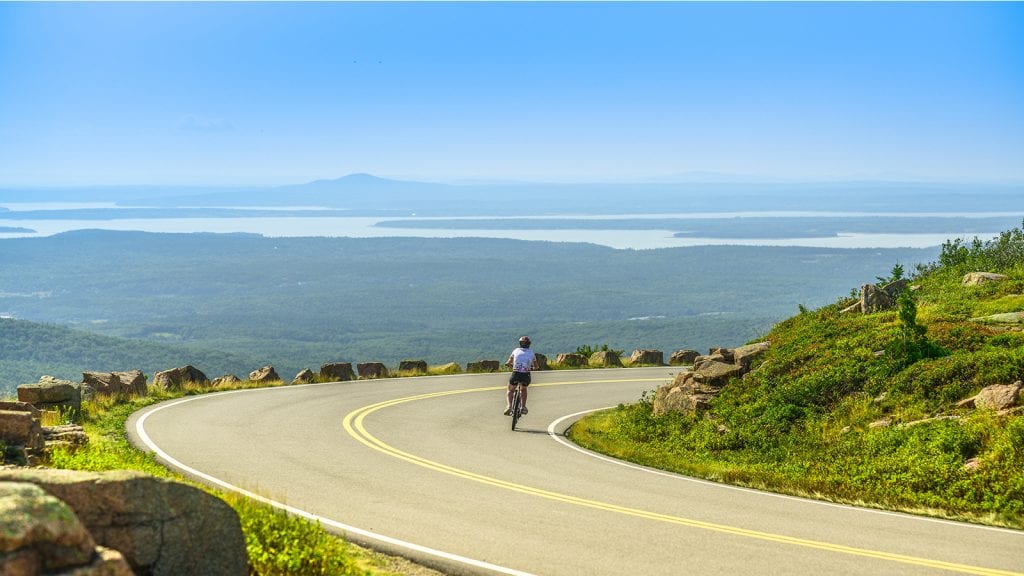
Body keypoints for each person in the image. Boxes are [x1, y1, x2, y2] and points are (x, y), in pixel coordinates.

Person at [504, 335, 537, 415]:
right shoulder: (531, 352)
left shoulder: (516, 350)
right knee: (523, 389)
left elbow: (509, 361)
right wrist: (534, 367)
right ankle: (523, 407)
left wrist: (508, 364)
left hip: (516, 373)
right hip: (526, 375)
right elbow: (536, 366)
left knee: (510, 390)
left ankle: (509, 406)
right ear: (529, 344)